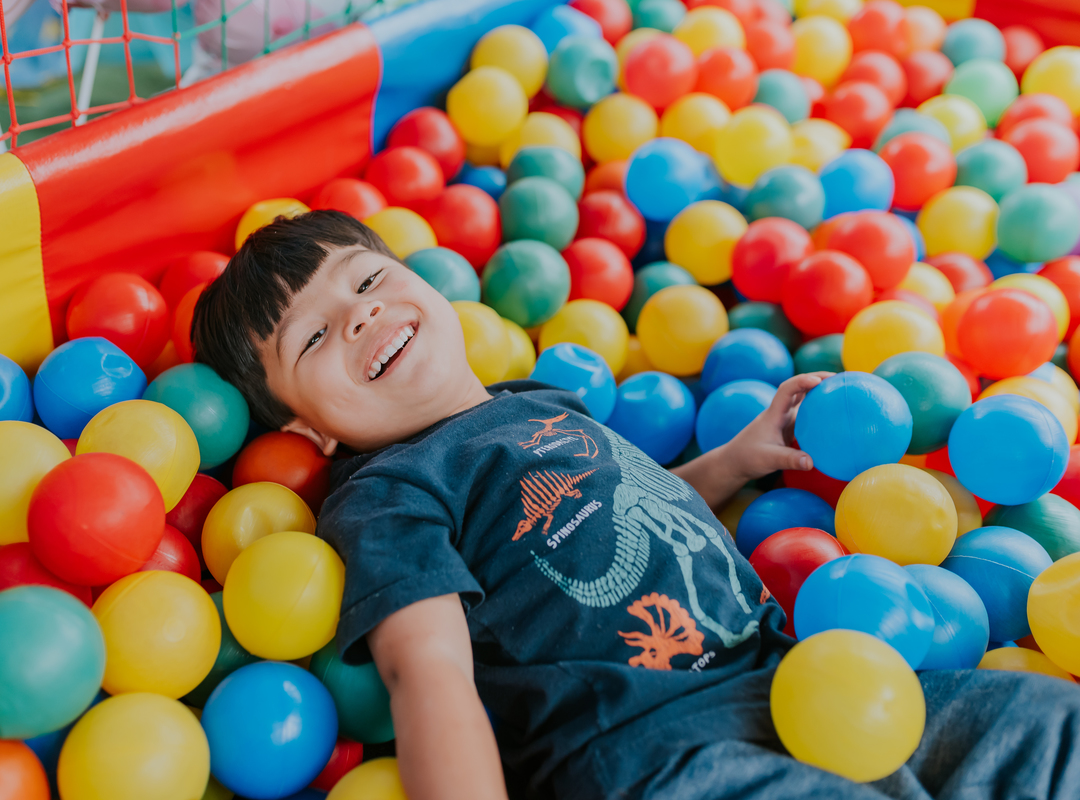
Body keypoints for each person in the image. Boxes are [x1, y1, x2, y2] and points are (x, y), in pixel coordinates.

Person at [192, 210, 1080, 800]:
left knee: (1044, 726)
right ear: (308, 431)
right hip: (649, 756)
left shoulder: (536, 402)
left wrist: (730, 463)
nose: (356, 316)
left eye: (366, 280)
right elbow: (428, 673)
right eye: (311, 336)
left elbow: (628, 509)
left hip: (801, 683)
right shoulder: (390, 493)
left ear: (420, 285)